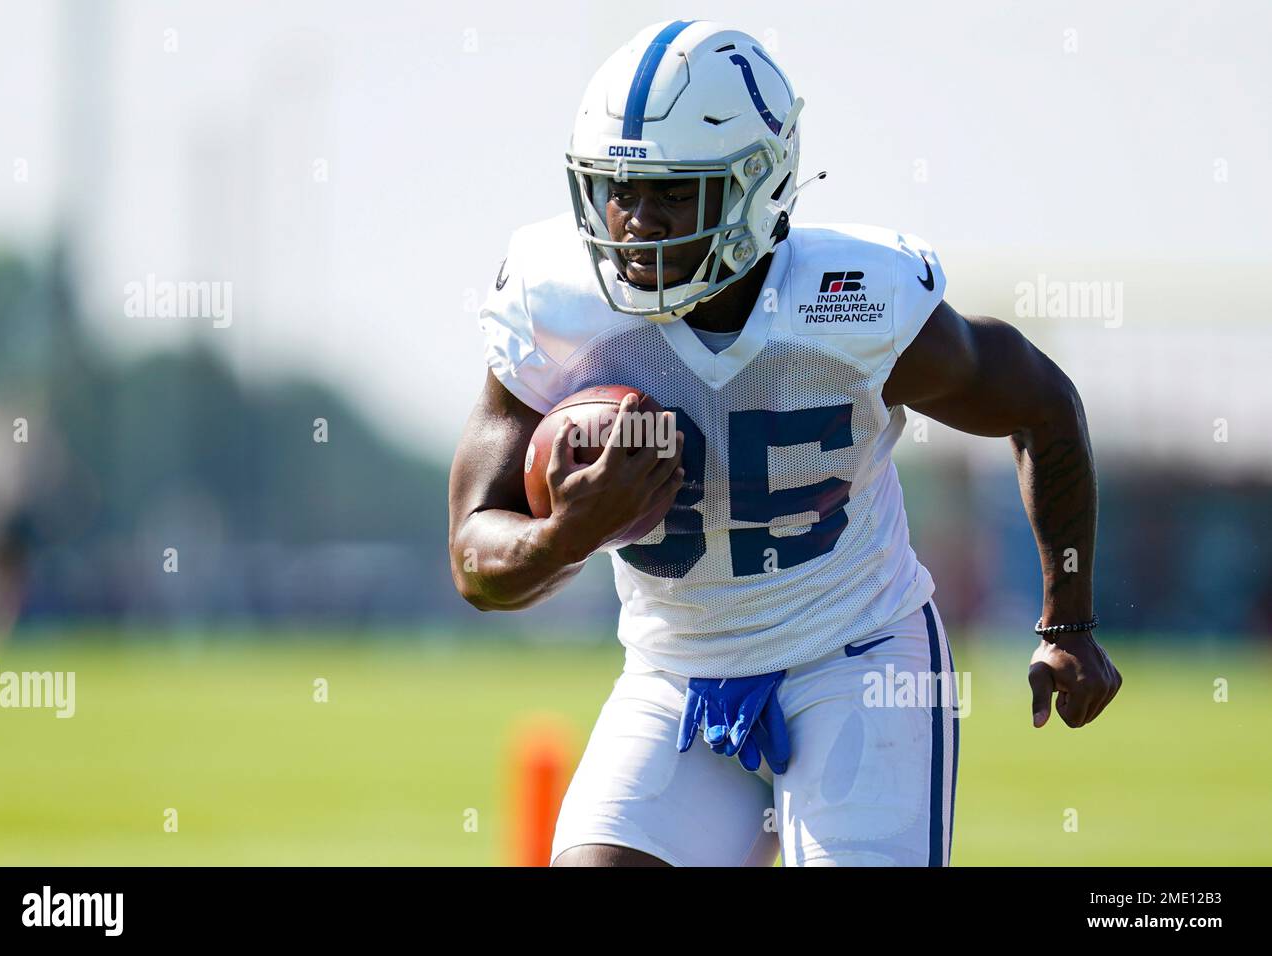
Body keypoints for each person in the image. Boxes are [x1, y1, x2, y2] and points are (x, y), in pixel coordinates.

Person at [448, 20, 1121, 866]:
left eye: (671, 193)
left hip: (857, 660)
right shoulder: (562, 303)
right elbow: (473, 560)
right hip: (673, 676)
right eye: (619, 190)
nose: (636, 225)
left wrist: (1070, 616)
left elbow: (1044, 405)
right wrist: (562, 536)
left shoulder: (854, 302)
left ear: (754, 186)